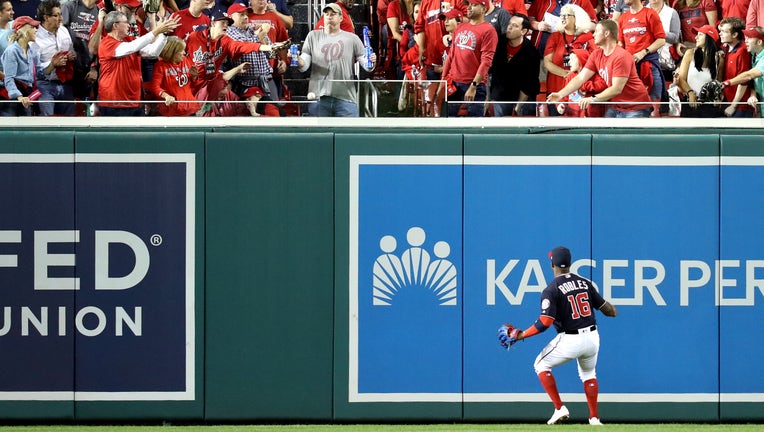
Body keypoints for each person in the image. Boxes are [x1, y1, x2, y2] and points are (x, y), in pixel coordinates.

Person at [499, 246, 618, 426]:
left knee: (540, 364)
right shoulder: (585, 283)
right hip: (593, 338)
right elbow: (610, 311)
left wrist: (521, 334)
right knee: (589, 374)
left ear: (552, 264)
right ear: (570, 263)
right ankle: (594, 418)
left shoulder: (551, 289)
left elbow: (544, 323)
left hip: (571, 339)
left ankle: (559, 408)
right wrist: (606, 305)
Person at [548, 19, 653, 117]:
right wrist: (560, 94)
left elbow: (617, 89)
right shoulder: (596, 54)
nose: (593, 34)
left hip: (636, 106)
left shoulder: (621, 56)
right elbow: (580, 78)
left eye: (597, 31)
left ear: (606, 34)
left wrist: (593, 99)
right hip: (616, 106)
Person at [291, 2, 377, 117]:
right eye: (326, 14)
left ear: (341, 18)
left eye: (333, 14)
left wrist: (372, 60)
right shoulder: (313, 36)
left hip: (346, 97)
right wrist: (297, 60)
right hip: (319, 97)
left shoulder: (352, 38)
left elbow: (367, 66)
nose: (329, 16)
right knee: (320, 135)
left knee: (349, 134)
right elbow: (304, 65)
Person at [97, 10, 180, 115]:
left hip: (135, 100)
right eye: (125, 22)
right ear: (115, 26)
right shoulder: (106, 43)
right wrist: (156, 31)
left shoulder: (128, 40)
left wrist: (164, 34)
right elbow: (132, 47)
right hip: (114, 102)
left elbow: (152, 52)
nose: (128, 25)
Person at [441, 0, 497, 117]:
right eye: (469, 5)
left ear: (483, 9)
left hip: (473, 85)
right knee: (446, 121)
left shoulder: (489, 30)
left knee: (473, 125)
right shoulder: (460, 27)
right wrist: (443, 80)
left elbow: (486, 61)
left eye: (474, 5)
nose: (469, 8)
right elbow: (451, 55)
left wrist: (474, 86)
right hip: (453, 82)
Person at [226, 2, 278, 116]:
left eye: (246, 14)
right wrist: (262, 33)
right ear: (230, 17)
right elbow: (245, 46)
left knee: (276, 113)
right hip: (246, 82)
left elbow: (271, 53)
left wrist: (262, 35)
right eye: (241, 14)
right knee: (253, 116)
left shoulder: (252, 30)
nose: (245, 17)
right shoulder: (229, 33)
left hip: (267, 79)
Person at [618, 0, 666, 111]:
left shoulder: (650, 14)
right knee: (632, 105)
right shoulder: (623, 18)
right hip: (630, 69)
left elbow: (661, 40)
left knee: (655, 102)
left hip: (649, 66)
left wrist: (644, 52)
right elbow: (621, 43)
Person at [490, 13, 540, 116]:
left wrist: (518, 107)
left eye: (515, 26)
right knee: (501, 129)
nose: (509, 27)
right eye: (509, 24)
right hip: (501, 95)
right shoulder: (498, 42)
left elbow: (528, 84)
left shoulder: (531, 53)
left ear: (524, 31)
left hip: (524, 97)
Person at [32, 0, 76, 116]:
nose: (61, 18)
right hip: (44, 85)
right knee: (47, 123)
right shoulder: (35, 38)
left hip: (65, 84)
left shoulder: (64, 31)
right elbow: (33, 68)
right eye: (56, 15)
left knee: (70, 122)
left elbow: (72, 51)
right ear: (46, 18)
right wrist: (52, 64)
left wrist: (71, 56)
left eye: (60, 14)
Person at [543, 4, 595, 102]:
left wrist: (575, 75)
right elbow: (547, 63)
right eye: (561, 15)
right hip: (555, 88)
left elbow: (594, 61)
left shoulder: (587, 37)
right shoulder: (555, 37)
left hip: (580, 90)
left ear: (577, 18)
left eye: (566, 15)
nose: (562, 17)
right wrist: (566, 74)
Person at [675, 24, 724, 116]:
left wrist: (718, 96)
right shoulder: (690, 53)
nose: (696, 37)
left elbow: (718, 82)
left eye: (700, 34)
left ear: (709, 38)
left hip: (709, 105)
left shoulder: (719, 58)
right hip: (690, 102)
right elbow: (681, 78)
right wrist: (690, 93)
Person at [146, 35, 199, 115]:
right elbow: (154, 87)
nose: (184, 53)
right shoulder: (160, 66)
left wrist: (194, 77)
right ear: (172, 52)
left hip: (190, 108)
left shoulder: (185, 60)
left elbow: (194, 84)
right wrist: (166, 96)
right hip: (171, 110)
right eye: (181, 51)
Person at [1, 16, 42, 116]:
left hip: (27, 96)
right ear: (25, 30)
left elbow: (41, 72)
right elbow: (9, 78)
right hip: (14, 100)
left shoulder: (32, 52)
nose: (36, 30)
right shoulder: (12, 51)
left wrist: (53, 64)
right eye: (33, 27)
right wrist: (19, 97)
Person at [721, 26, 764, 115]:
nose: (746, 41)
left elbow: (749, 75)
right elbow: (754, 80)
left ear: (759, 42)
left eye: (750, 38)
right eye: (746, 38)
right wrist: (753, 94)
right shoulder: (754, 55)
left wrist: (726, 83)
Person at [61, 0, 98, 104]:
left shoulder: (99, 11)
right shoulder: (69, 6)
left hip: (89, 68)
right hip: (71, 66)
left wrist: (94, 68)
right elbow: (60, 32)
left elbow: (102, 42)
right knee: (70, 108)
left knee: (86, 107)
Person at [527, 0, 596, 54]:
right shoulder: (542, 1)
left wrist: (573, 25)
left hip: (567, 56)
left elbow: (594, 25)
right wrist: (537, 25)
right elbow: (529, 18)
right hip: (539, 52)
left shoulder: (582, 1)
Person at [718, 16, 754, 116]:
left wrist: (733, 105)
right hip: (728, 102)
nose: (720, 34)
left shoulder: (743, 51)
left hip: (740, 106)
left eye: (724, 32)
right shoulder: (725, 48)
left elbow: (744, 80)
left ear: (734, 34)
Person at [555, 48, 607, 116]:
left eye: (572, 59)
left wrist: (583, 85)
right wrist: (560, 105)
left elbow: (602, 86)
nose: (569, 62)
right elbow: (564, 97)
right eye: (569, 59)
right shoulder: (570, 77)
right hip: (573, 117)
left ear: (581, 60)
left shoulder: (595, 75)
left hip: (592, 118)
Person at [646, 0, 680, 80]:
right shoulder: (642, 11)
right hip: (645, 60)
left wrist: (658, 32)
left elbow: (675, 38)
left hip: (665, 62)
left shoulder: (672, 13)